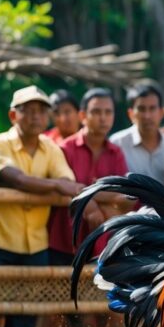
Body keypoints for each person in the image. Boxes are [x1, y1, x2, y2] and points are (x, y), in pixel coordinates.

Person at [0, 85, 80, 327]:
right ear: (14, 115)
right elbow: (15, 178)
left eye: (41, 111)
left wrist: (59, 185)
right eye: (29, 110)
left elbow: (68, 181)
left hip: (34, 238)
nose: (36, 116)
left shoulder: (51, 148)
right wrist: (56, 186)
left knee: (28, 297)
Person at [53, 88, 127, 267]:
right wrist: (105, 195)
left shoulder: (116, 152)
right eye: (96, 111)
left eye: (108, 112)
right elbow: (62, 186)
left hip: (103, 242)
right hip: (65, 240)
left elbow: (125, 198)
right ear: (82, 115)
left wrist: (86, 194)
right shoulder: (64, 148)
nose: (103, 117)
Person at [110, 83, 164, 183]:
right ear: (131, 114)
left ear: (161, 112)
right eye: (141, 109)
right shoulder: (117, 144)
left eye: (152, 108)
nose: (147, 116)